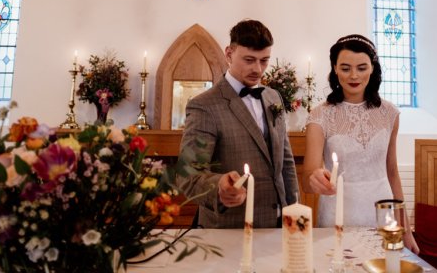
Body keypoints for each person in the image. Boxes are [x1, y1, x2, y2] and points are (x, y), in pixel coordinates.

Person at [302, 34, 419, 253]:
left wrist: (406, 229)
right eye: (345, 68)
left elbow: (392, 172)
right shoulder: (320, 115)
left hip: (382, 212)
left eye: (362, 68)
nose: (354, 75)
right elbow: (308, 175)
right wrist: (315, 179)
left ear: (372, 68)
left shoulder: (389, 113)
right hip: (338, 212)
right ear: (335, 69)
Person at [178, 19, 299, 228]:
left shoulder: (273, 97)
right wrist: (219, 188)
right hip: (231, 225)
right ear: (229, 54)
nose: (258, 69)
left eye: (264, 60)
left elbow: (285, 160)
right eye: (249, 60)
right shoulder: (204, 106)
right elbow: (188, 175)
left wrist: (294, 209)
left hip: (279, 223)